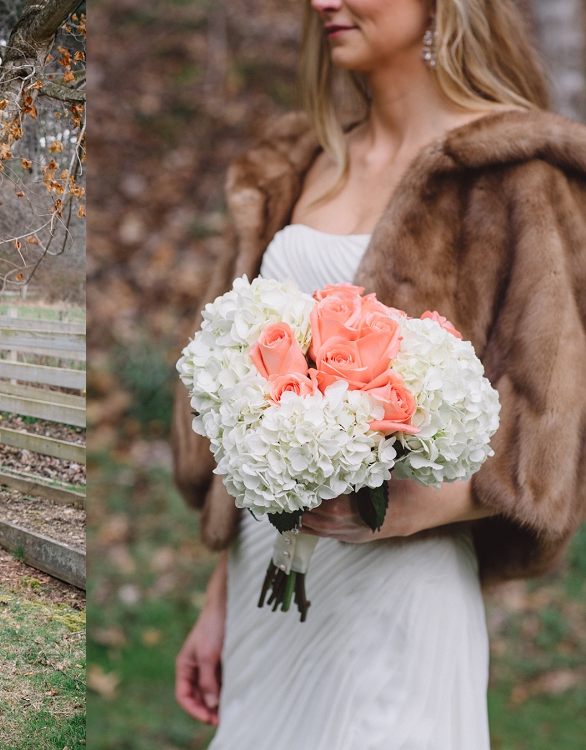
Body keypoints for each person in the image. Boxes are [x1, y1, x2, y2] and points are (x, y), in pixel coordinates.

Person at [170, 0, 586, 747]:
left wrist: (432, 505)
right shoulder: (294, 163)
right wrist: (220, 597)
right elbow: (254, 395)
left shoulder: (518, 172)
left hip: (399, 586)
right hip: (268, 583)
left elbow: (559, 416)